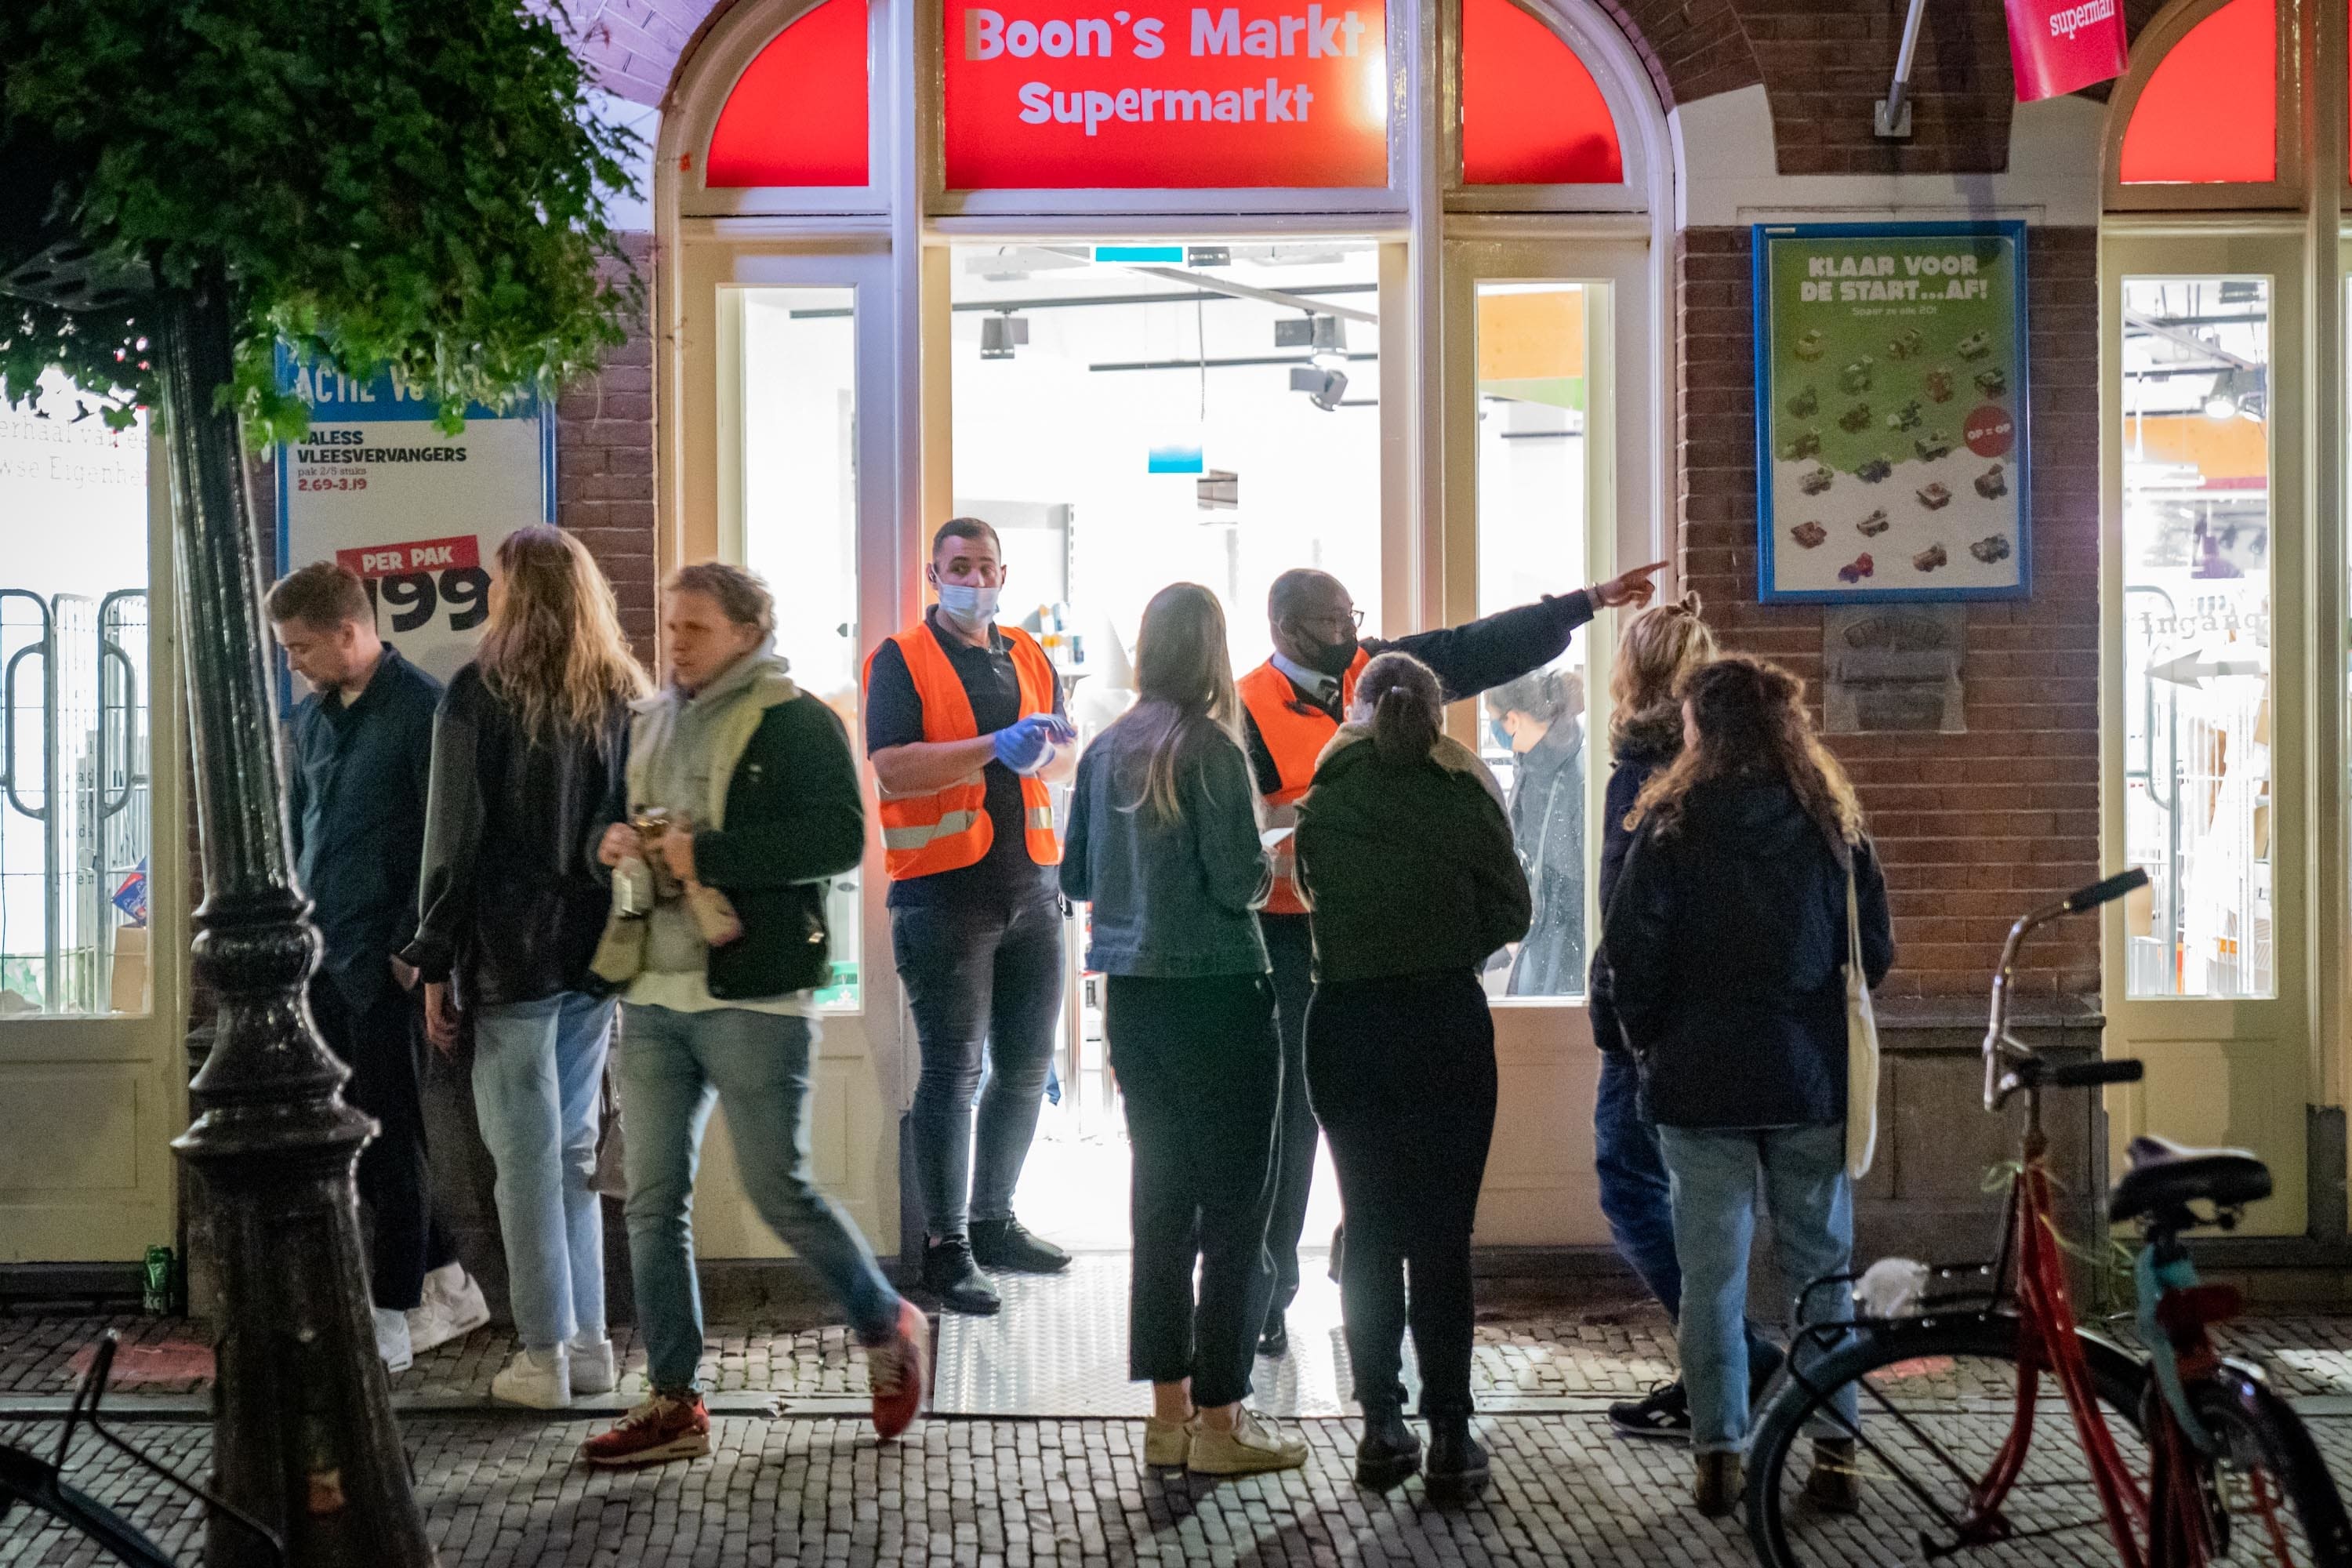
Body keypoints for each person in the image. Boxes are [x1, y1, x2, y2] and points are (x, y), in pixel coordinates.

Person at [1239, 559, 1664, 1357]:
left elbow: (1476, 647)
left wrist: (1584, 603)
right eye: (1335, 620)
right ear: (1288, 629)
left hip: (1398, 955)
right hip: (1297, 935)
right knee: (1290, 1125)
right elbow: (1246, 828)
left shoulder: (1379, 672)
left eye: (1353, 613)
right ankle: (1271, 1294)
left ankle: (1405, 1388)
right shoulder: (1245, 706)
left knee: (1388, 1189)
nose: (1351, 631)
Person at [582, 563, 926, 1466]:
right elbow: (610, 825)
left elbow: (838, 839)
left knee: (780, 1189)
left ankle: (885, 1320)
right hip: (653, 988)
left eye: (694, 626)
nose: (675, 641)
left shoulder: (798, 719)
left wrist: (714, 852)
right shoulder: (647, 719)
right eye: (670, 624)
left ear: (747, 630)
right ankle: (674, 1398)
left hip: (757, 993)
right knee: (652, 1201)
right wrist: (609, 844)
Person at [1602, 655, 1894, 1515]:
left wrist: (1651, 1039)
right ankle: (1834, 1452)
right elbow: (1873, 950)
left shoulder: (1670, 824)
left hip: (1699, 1082)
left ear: (1702, 730)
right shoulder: (1831, 823)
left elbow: (1631, 955)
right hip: (1807, 1075)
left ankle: (1719, 1457)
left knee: (1711, 1277)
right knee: (1822, 1270)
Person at [1059, 583, 1304, 1479]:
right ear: (1211, 653)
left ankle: (1165, 1417)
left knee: (1159, 1203)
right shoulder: (1211, 750)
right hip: (1219, 993)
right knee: (1237, 1210)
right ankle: (1222, 1419)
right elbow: (1239, 882)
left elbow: (1076, 878)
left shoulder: (1105, 748)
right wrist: (1276, 844)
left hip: (1132, 998)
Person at [401, 526, 643, 1410]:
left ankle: (543, 1351)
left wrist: (434, 958)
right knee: (574, 1151)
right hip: (595, 951)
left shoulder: (478, 689)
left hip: (507, 951)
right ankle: (587, 1345)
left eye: (497, 581)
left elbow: (452, 840)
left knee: (524, 1159)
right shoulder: (621, 690)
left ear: (517, 591)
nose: (488, 594)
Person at [1293, 652, 1531, 1504]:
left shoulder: (1325, 796)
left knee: (1371, 1222)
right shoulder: (1465, 793)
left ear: (1356, 711)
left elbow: (1311, 892)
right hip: (1445, 1023)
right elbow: (1515, 909)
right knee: (1442, 1238)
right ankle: (1453, 1437)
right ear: (1439, 714)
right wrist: (1448, 948)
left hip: (1348, 1023)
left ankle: (1380, 1426)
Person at [270, 562, 488, 1374]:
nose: (293, 662)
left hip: (385, 962)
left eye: (300, 647)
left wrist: (413, 947)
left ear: (347, 631)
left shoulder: (425, 709)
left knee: (394, 1137)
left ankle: (394, 1309)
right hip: (325, 958)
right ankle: (449, 1281)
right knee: (360, 1138)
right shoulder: (313, 720)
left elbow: (444, 840)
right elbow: (304, 831)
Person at [863, 517, 1077, 1316]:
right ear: (933, 572)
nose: (974, 578)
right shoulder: (901, 658)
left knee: (1023, 1070)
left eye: (986, 565)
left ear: (1003, 572)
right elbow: (891, 764)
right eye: (959, 565)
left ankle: (994, 1221)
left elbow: (1060, 755)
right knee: (955, 1075)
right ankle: (944, 1245)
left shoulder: (1027, 651)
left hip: (1032, 890)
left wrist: (1049, 749)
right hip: (945, 898)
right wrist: (996, 743)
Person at [1584, 594, 1780, 1442]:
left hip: (1652, 1023)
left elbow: (1627, 910)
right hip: (1729, 1016)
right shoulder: (1750, 765)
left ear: (1635, 671)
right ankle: (1728, 1363)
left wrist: (1625, 1015)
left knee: (1630, 1181)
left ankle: (1729, 1359)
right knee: (1695, 1198)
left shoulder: (1642, 770)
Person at [1483, 667, 1587, 996]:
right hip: (1545, 939)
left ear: (1512, 720)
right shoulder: (1536, 764)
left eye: (1493, 719)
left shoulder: (1572, 776)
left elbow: (1574, 879)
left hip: (1568, 949)